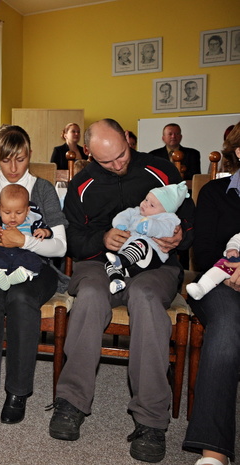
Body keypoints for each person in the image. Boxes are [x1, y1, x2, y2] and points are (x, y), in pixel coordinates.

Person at [49, 119, 193, 463]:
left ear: (128, 140)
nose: (117, 165)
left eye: (122, 155)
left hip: (155, 265)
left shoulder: (161, 169)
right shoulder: (82, 183)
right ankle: (71, 402)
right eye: (107, 161)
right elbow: (72, 241)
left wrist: (179, 236)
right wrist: (102, 238)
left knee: (145, 298)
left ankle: (151, 420)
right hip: (99, 264)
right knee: (90, 297)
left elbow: (191, 222)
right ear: (89, 154)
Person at [0, 125, 66, 424]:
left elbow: (60, 246)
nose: (14, 168)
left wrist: (25, 241)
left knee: (21, 298)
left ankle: (18, 392)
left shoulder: (43, 188)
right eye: (6, 160)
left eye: (20, 159)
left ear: (30, 155)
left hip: (35, 266)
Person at [182, 122, 240, 465]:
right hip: (217, 283)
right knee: (228, 326)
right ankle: (214, 451)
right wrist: (232, 271)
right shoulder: (214, 193)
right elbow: (202, 254)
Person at [104, 182, 189, 294]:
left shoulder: (169, 219)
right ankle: (117, 281)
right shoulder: (136, 211)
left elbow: (164, 229)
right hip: (132, 261)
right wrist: (120, 225)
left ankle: (122, 260)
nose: (145, 204)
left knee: (141, 243)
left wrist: (148, 226)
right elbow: (123, 216)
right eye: (146, 199)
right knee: (109, 264)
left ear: (165, 211)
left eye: (152, 205)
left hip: (151, 256)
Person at [0, 183, 53, 291]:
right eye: (7, 212)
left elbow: (49, 232)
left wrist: (45, 232)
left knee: (34, 259)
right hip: (1, 253)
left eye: (19, 213)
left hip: (23, 253)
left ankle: (23, 273)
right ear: (0, 210)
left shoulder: (33, 222)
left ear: (27, 211)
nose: (13, 217)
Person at [186, 231, 240, 300]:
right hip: (235, 261)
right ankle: (202, 287)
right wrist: (232, 248)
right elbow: (236, 239)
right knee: (219, 269)